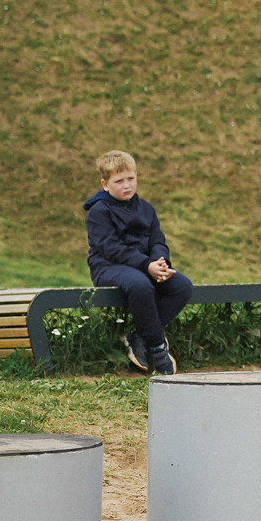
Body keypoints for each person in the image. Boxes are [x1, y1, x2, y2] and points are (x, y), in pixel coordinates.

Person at [84, 150, 194, 375]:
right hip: (108, 267)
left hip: (146, 265)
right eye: (119, 181)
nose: (127, 185)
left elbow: (157, 241)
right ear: (105, 184)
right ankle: (158, 349)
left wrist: (160, 264)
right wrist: (147, 266)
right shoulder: (98, 212)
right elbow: (111, 248)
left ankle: (139, 338)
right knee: (140, 284)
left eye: (131, 179)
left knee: (182, 286)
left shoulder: (146, 208)